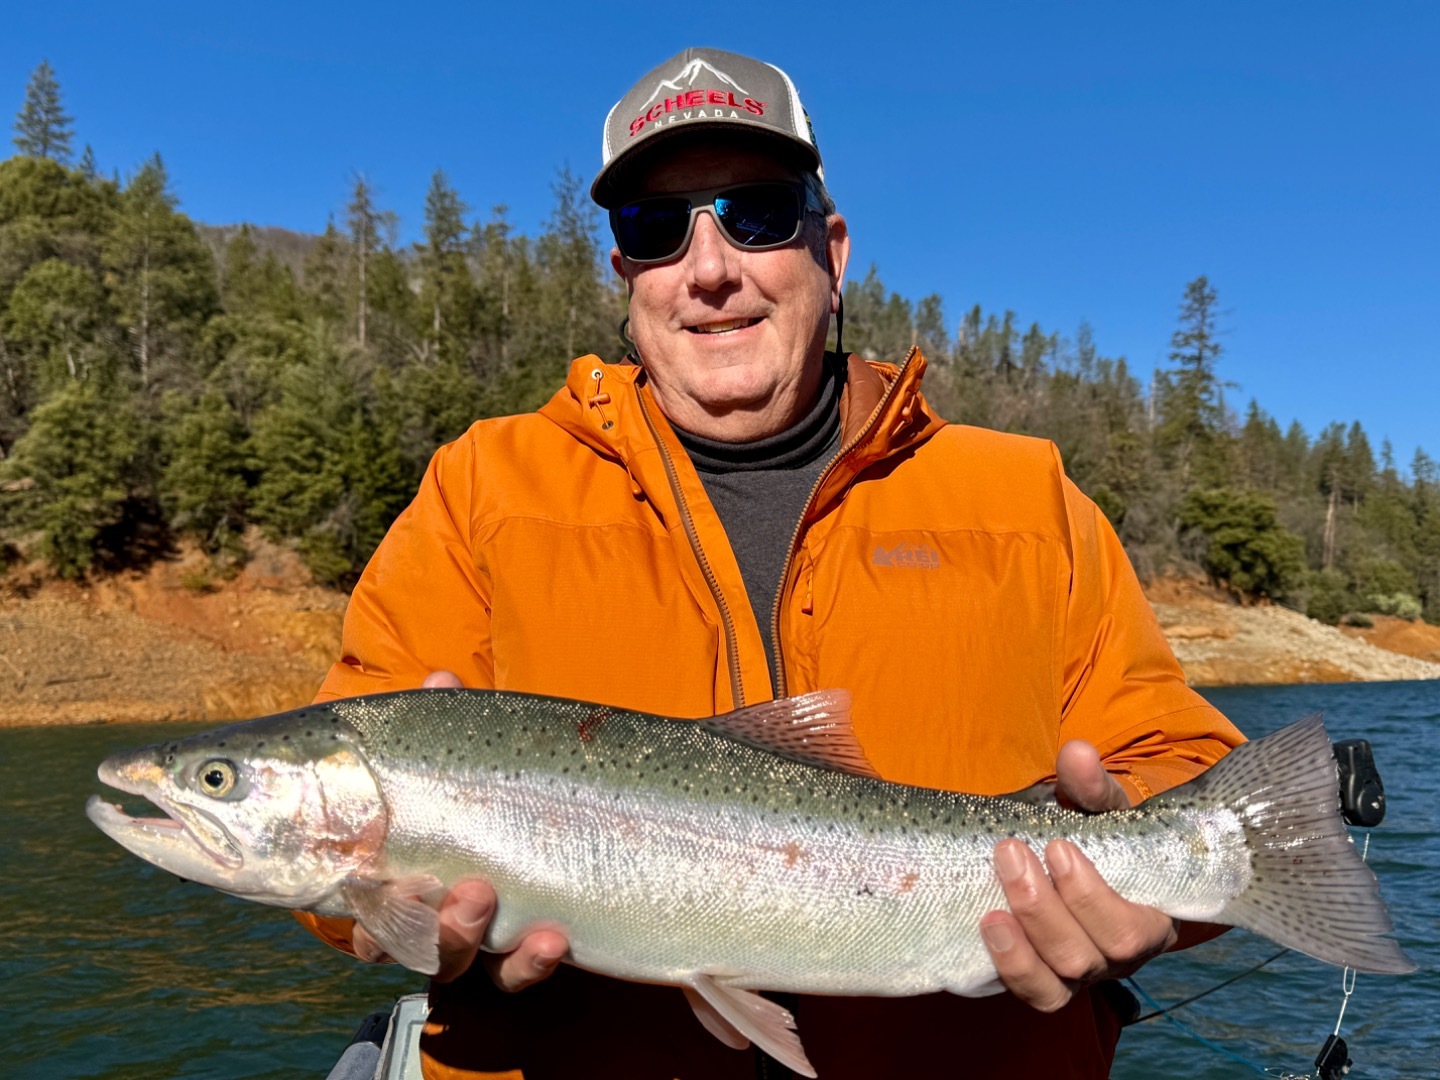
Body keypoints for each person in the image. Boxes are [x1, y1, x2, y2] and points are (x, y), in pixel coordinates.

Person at [299, 46, 1244, 1080]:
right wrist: (386, 919)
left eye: (754, 213)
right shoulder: (482, 492)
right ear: (625, 275)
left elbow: (1180, 764)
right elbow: (329, 875)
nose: (709, 269)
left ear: (829, 252)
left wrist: (1136, 884)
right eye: (656, 230)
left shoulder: (1024, 496)